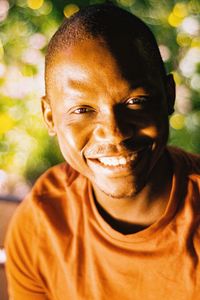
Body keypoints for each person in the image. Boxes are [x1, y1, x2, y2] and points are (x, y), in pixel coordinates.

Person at [5, 3, 200, 300]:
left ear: (168, 95)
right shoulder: (40, 225)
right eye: (82, 110)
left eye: (136, 101)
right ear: (50, 117)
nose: (114, 132)